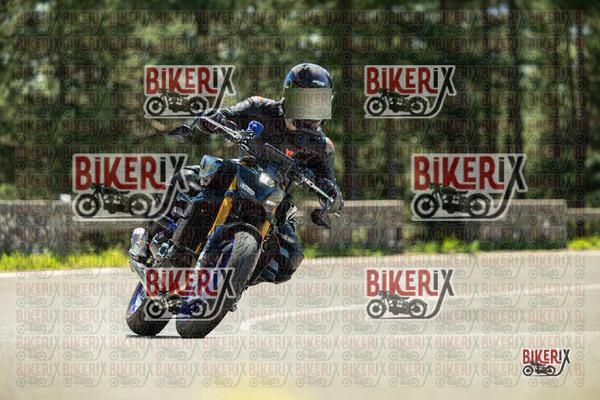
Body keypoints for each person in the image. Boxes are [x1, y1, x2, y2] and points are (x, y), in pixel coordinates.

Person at [182, 63, 343, 285]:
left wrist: (332, 194)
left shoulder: (322, 146)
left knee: (289, 257)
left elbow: (326, 180)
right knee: (186, 178)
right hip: (242, 172)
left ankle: (238, 279)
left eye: (319, 103)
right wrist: (214, 119)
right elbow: (228, 115)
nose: (312, 111)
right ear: (289, 96)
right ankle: (156, 240)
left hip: (274, 196)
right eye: (306, 102)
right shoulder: (259, 107)